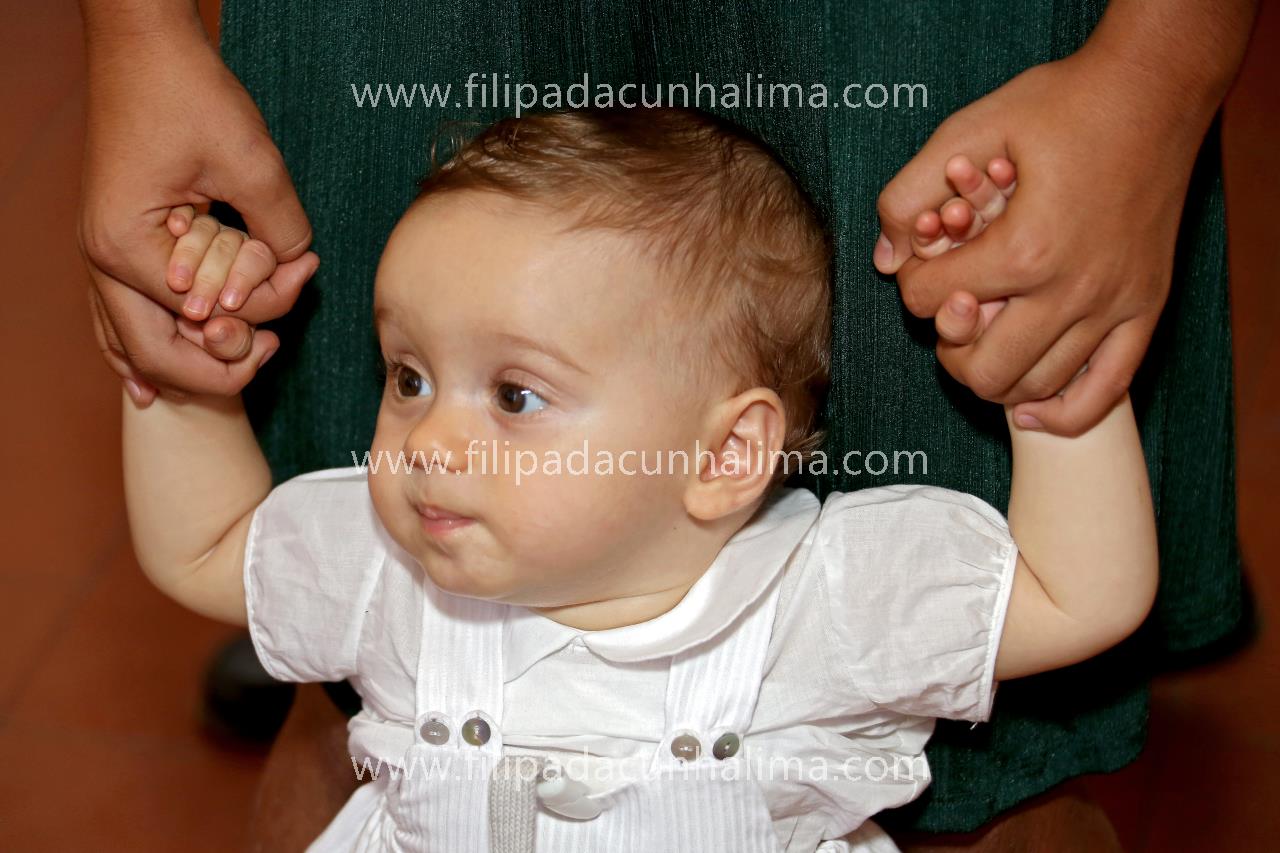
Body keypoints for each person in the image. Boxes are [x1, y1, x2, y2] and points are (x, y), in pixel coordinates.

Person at [77, 0, 1257, 842]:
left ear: (726, 452)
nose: (425, 441)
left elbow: (1077, 597)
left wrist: (1048, 393)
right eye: (408, 376)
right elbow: (207, 548)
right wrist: (186, 380)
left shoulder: (818, 599)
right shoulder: (396, 570)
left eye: (515, 395)